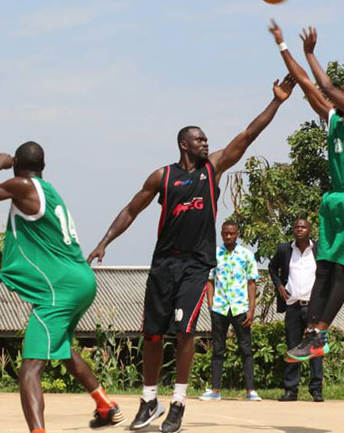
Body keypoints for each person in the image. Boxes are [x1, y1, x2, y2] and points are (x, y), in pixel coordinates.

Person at [88, 75, 296, 433]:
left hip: (196, 266)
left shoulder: (212, 169)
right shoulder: (162, 177)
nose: (206, 143)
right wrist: (104, 241)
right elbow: (131, 210)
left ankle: (178, 403)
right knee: (152, 335)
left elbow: (248, 134)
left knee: (184, 332)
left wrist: (276, 101)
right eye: (200, 139)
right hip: (163, 263)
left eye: (206, 139)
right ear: (184, 144)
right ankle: (149, 400)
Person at [0, 142, 126, 433]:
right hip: (81, 280)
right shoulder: (50, 192)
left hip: (59, 288)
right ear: (44, 166)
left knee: (30, 368)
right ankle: (105, 405)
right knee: (61, 349)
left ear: (16, 166)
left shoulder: (22, 185)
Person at [268, 20, 344, 362]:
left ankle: (322, 333)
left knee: (340, 269)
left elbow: (326, 86)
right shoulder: (333, 119)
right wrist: (283, 46)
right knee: (324, 267)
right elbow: (306, 82)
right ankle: (312, 335)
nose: (337, 91)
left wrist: (310, 53)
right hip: (334, 197)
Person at [199, 221, 261, 402]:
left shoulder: (246, 255)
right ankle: (215, 390)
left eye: (232, 233)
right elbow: (210, 280)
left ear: (237, 234)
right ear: (221, 234)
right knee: (218, 349)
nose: (228, 236)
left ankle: (250, 391)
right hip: (220, 308)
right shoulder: (214, 255)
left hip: (240, 308)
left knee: (246, 349)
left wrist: (251, 309)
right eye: (225, 233)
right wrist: (211, 304)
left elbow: (251, 283)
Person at [268, 218, 324, 402]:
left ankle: (316, 390)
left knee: (315, 348)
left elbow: (327, 273)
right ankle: (291, 390)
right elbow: (272, 268)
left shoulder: (318, 249)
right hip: (292, 305)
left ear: (310, 230)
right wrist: (279, 286)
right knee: (293, 348)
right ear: (293, 230)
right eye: (297, 227)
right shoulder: (285, 250)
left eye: (303, 227)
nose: (300, 229)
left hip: (314, 307)